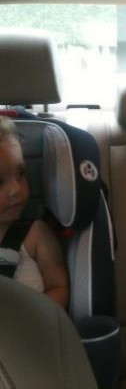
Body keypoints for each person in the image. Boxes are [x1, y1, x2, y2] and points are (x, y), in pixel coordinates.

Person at [0, 116, 69, 309]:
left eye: (21, 174)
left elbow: (60, 288)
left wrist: (24, 316)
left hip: (31, 325)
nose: (16, 189)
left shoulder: (35, 235)